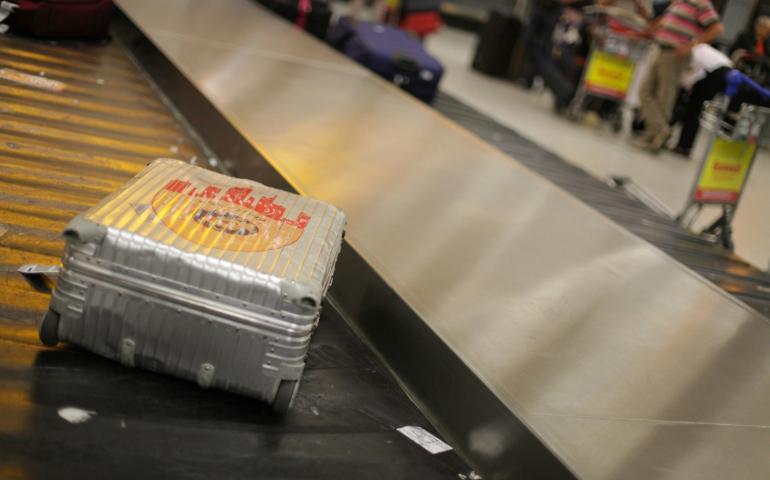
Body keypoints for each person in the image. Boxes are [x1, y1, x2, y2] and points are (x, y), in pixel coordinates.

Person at [635, 0, 724, 153]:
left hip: (675, 53)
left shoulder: (701, 4)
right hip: (660, 48)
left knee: (665, 96)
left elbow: (717, 29)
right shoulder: (678, 2)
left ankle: (655, 137)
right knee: (645, 91)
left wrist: (692, 44)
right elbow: (664, 22)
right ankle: (660, 131)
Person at [672, 43, 732, 156]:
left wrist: (684, 89)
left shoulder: (690, 51)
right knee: (697, 110)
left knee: (694, 109)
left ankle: (683, 146)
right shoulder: (700, 46)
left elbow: (691, 77)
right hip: (726, 71)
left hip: (713, 72)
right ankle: (685, 146)